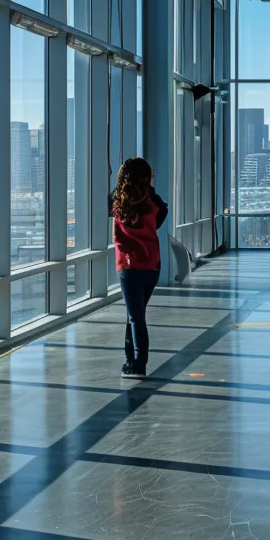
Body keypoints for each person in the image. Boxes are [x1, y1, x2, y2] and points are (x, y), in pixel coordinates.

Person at [111, 157, 167, 380]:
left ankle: (139, 364)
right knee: (135, 314)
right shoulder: (153, 200)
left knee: (135, 317)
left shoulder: (119, 200)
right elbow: (160, 217)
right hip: (152, 264)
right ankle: (130, 361)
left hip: (128, 264)